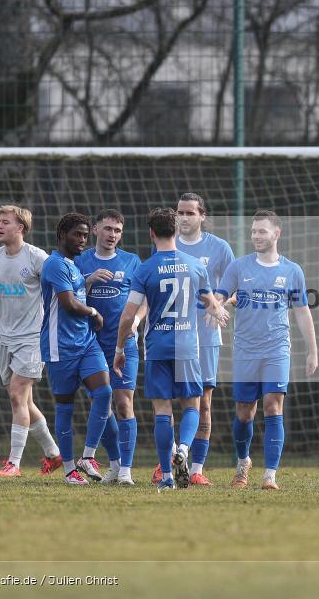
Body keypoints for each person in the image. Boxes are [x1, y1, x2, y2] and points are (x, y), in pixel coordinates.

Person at [114, 207, 229, 492]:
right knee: (192, 405)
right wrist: (217, 310)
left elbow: (128, 316)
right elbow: (209, 301)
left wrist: (119, 347)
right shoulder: (195, 265)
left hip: (157, 347)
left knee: (162, 410)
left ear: (151, 233)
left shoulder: (145, 269)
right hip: (187, 346)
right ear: (176, 230)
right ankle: (185, 449)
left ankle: (167, 475)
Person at [217, 210, 318, 491]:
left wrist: (312, 350)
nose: (256, 236)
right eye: (253, 231)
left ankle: (270, 475)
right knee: (244, 413)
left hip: (277, 349)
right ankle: (243, 463)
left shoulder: (292, 271)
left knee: (273, 405)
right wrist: (216, 306)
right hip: (245, 351)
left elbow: (302, 312)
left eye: (262, 231)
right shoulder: (239, 267)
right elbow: (221, 295)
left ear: (277, 234)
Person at [0, 206, 62, 477]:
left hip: (33, 338)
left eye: (5, 222)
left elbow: (61, 286)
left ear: (20, 228)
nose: (0, 226)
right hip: (5, 339)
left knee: (17, 393)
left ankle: (14, 464)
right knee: (23, 401)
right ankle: (53, 453)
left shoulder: (37, 257)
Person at [40, 213, 114, 485]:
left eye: (85, 235)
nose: (83, 239)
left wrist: (88, 279)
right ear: (62, 235)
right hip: (60, 347)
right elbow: (69, 303)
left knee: (104, 392)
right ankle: (70, 470)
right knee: (65, 407)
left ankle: (88, 455)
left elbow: (76, 290)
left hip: (86, 342)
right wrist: (94, 312)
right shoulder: (54, 264)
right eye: (77, 234)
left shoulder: (72, 266)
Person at [75, 209, 147, 485]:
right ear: (95, 230)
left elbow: (145, 298)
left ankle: (126, 470)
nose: (112, 235)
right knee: (100, 403)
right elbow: (69, 297)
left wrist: (136, 321)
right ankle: (115, 464)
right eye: (107, 229)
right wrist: (88, 281)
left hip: (123, 342)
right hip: (90, 343)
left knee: (124, 403)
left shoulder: (132, 261)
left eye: (117, 230)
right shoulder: (81, 261)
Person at [172, 193, 235, 485]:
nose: (184, 217)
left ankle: (196, 469)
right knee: (168, 400)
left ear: (202, 216)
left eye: (190, 213)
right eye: (180, 212)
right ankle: (168, 460)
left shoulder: (219, 248)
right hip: (173, 334)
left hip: (207, 336)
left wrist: (219, 305)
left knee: (204, 402)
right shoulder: (168, 244)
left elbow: (236, 287)